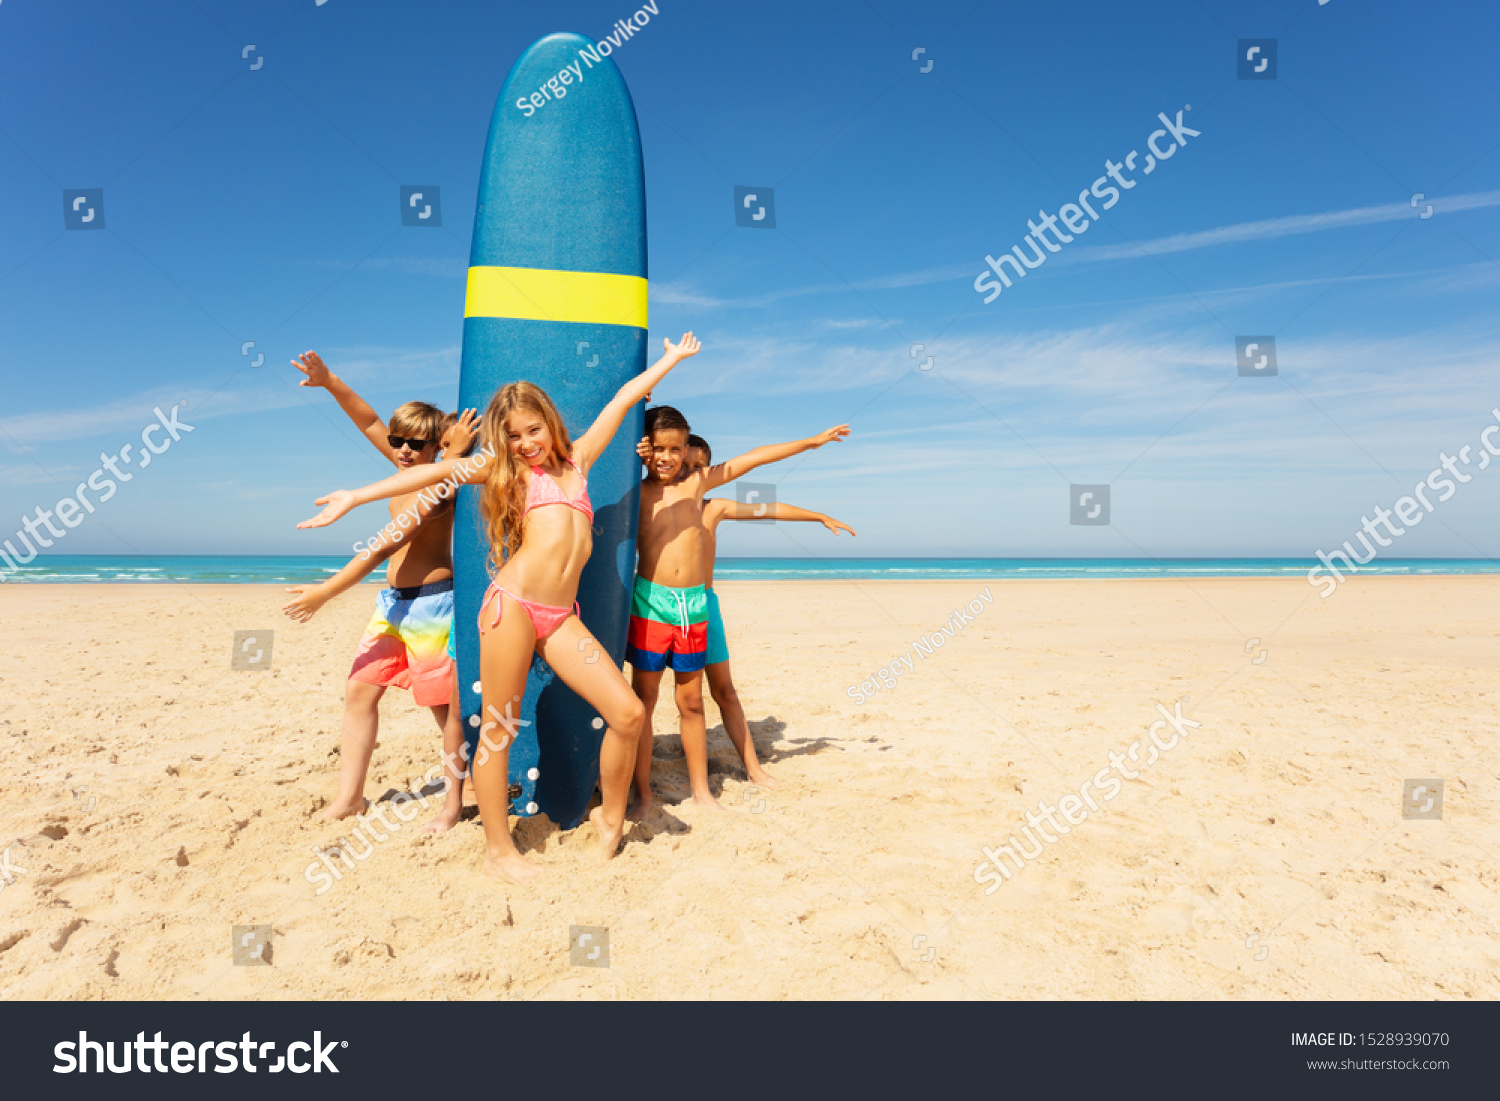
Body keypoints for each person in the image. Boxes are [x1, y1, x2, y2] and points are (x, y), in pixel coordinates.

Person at [297, 334, 704, 878]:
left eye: (533, 430)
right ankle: (498, 850)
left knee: (628, 714)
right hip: (510, 607)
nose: (525, 442)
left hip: (561, 618)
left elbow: (625, 400)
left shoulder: (579, 459)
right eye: (512, 435)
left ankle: (610, 820)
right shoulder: (507, 472)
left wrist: (671, 360)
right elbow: (437, 472)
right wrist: (357, 496)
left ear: (551, 424)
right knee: (498, 728)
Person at [629, 407, 849, 817]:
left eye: (676, 449)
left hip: (694, 605)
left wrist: (811, 443)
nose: (668, 457)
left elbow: (756, 457)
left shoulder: (698, 487)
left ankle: (701, 792)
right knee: (644, 700)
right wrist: (635, 442)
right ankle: (642, 795)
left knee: (692, 703)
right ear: (645, 448)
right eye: (658, 448)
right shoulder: (633, 488)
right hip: (651, 603)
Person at [289, 350, 475, 821]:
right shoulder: (401, 474)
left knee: (442, 708)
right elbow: (369, 419)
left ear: (437, 450)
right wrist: (330, 381)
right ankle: (350, 798)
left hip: (434, 606)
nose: (404, 449)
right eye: (398, 441)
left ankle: (468, 785)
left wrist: (325, 592)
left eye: (416, 444)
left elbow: (378, 548)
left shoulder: (439, 490)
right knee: (359, 692)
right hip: (392, 605)